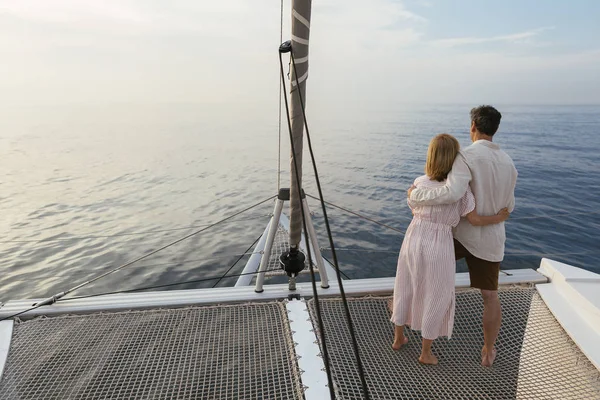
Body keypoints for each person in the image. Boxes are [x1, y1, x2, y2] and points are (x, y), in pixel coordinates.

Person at [408, 105, 517, 367]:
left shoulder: (464, 156)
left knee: (421, 269)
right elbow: (509, 207)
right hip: (490, 238)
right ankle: (489, 350)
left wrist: (416, 195)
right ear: (495, 129)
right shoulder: (509, 162)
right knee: (490, 296)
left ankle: (401, 308)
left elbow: (452, 193)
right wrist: (497, 216)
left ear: (472, 127)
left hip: (458, 234)